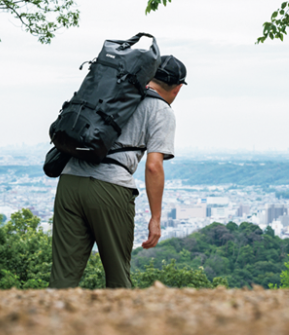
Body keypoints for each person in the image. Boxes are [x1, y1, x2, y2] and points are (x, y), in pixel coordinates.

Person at [50, 55, 187, 288]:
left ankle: (44, 323)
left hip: (70, 180)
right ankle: (120, 325)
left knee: (62, 279)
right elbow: (154, 166)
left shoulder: (114, 91)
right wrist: (155, 218)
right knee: (118, 279)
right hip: (110, 188)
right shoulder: (161, 110)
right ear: (178, 89)